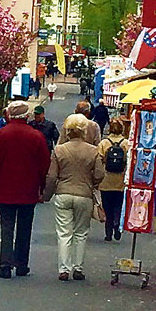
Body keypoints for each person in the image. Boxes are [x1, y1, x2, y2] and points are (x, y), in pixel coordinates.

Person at [0, 100, 51, 279]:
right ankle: (21, 264)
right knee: (25, 227)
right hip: (28, 189)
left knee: (6, 227)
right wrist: (41, 186)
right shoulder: (36, 137)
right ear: (27, 116)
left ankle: (5, 265)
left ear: (9, 115)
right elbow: (45, 165)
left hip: (5, 189)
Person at [43, 114, 104, 281]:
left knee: (64, 233)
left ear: (68, 131)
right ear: (84, 131)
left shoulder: (59, 150)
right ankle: (78, 267)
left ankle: (64, 269)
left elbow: (51, 176)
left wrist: (47, 195)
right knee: (81, 232)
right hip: (84, 194)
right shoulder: (93, 151)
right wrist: (92, 182)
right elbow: (99, 173)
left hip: (63, 193)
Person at [97, 116, 130, 241]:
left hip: (106, 180)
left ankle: (108, 232)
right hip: (121, 180)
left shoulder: (104, 143)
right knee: (118, 205)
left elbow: (98, 161)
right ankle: (117, 225)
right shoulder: (126, 143)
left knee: (107, 206)